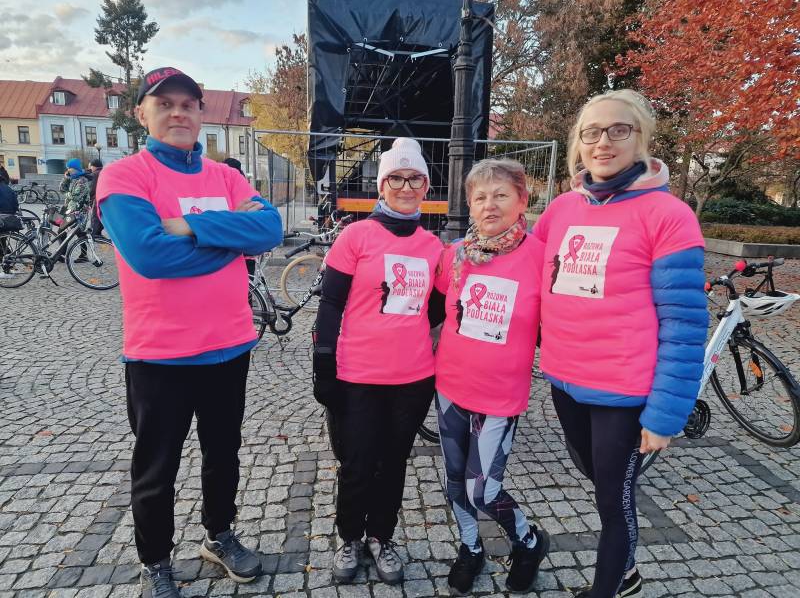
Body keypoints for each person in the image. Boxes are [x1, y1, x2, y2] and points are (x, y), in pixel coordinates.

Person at [96, 67, 283, 598]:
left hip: (229, 347)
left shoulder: (224, 177)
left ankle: (219, 534)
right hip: (160, 355)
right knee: (157, 468)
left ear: (201, 114)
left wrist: (189, 226)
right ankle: (155, 560)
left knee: (224, 454)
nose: (178, 112)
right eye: (165, 104)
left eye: (188, 104)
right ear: (142, 114)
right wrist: (230, 240)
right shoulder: (124, 177)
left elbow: (270, 228)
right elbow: (150, 256)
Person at [532, 89, 707, 598]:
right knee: (596, 474)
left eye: (618, 130)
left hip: (625, 391)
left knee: (613, 498)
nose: (603, 142)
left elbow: (684, 324)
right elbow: (522, 273)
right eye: (592, 132)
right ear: (578, 143)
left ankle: (611, 585)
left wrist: (665, 414)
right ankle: (624, 572)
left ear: (641, 139)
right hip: (565, 380)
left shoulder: (668, 215)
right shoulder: (562, 208)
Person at [312, 137, 444, 585]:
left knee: (393, 463)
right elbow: (331, 304)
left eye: (415, 179)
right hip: (358, 375)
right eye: (396, 179)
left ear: (426, 187)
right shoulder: (356, 236)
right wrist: (324, 364)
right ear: (382, 185)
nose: (406, 187)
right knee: (356, 463)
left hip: (413, 376)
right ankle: (350, 536)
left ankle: (381, 537)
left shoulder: (433, 246)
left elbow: (437, 311)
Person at [433, 159, 549, 595]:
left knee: (482, 490)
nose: (489, 205)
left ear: (522, 201)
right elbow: (433, 308)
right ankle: (471, 547)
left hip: (499, 394)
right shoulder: (456, 255)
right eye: (480, 197)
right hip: (450, 385)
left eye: (501, 195)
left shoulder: (541, 257)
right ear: (469, 204)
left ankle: (528, 540)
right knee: (455, 479)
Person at [88, 159, 104, 237]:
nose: (90, 168)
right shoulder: (103, 172)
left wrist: (88, 198)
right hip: (104, 198)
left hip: (97, 199)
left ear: (94, 166)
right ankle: (99, 235)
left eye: (90, 166)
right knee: (101, 218)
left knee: (95, 218)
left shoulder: (94, 174)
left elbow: (92, 189)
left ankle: (95, 236)